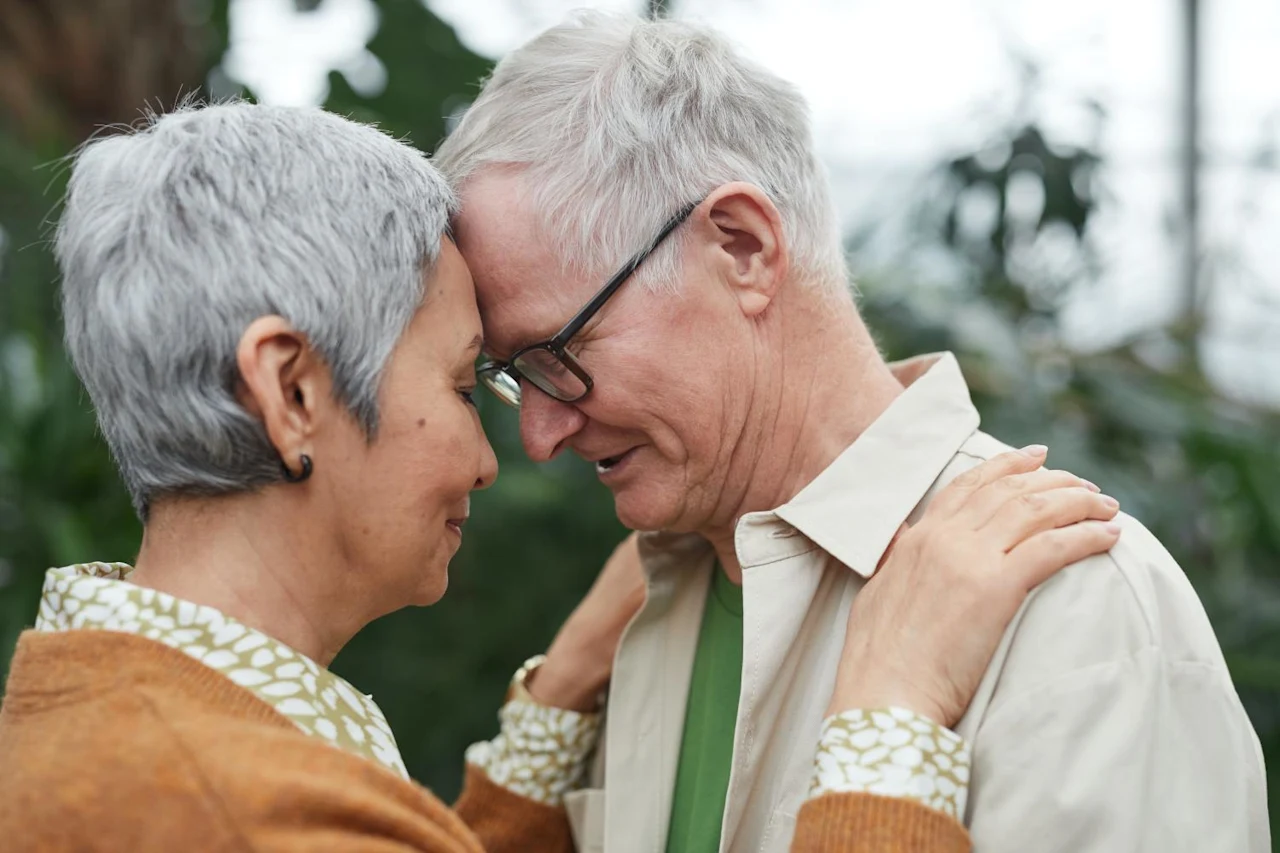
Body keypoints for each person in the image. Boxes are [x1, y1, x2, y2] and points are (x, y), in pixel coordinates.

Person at [0, 101, 1121, 852]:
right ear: (292, 391)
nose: (502, 453)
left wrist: (558, 696)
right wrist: (889, 715)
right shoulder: (222, 801)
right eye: (459, 380)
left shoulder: (109, 728)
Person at [435, 11, 1270, 853]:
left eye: (558, 352)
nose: (538, 434)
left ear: (743, 246)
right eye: (515, 376)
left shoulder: (1075, 607)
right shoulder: (641, 609)